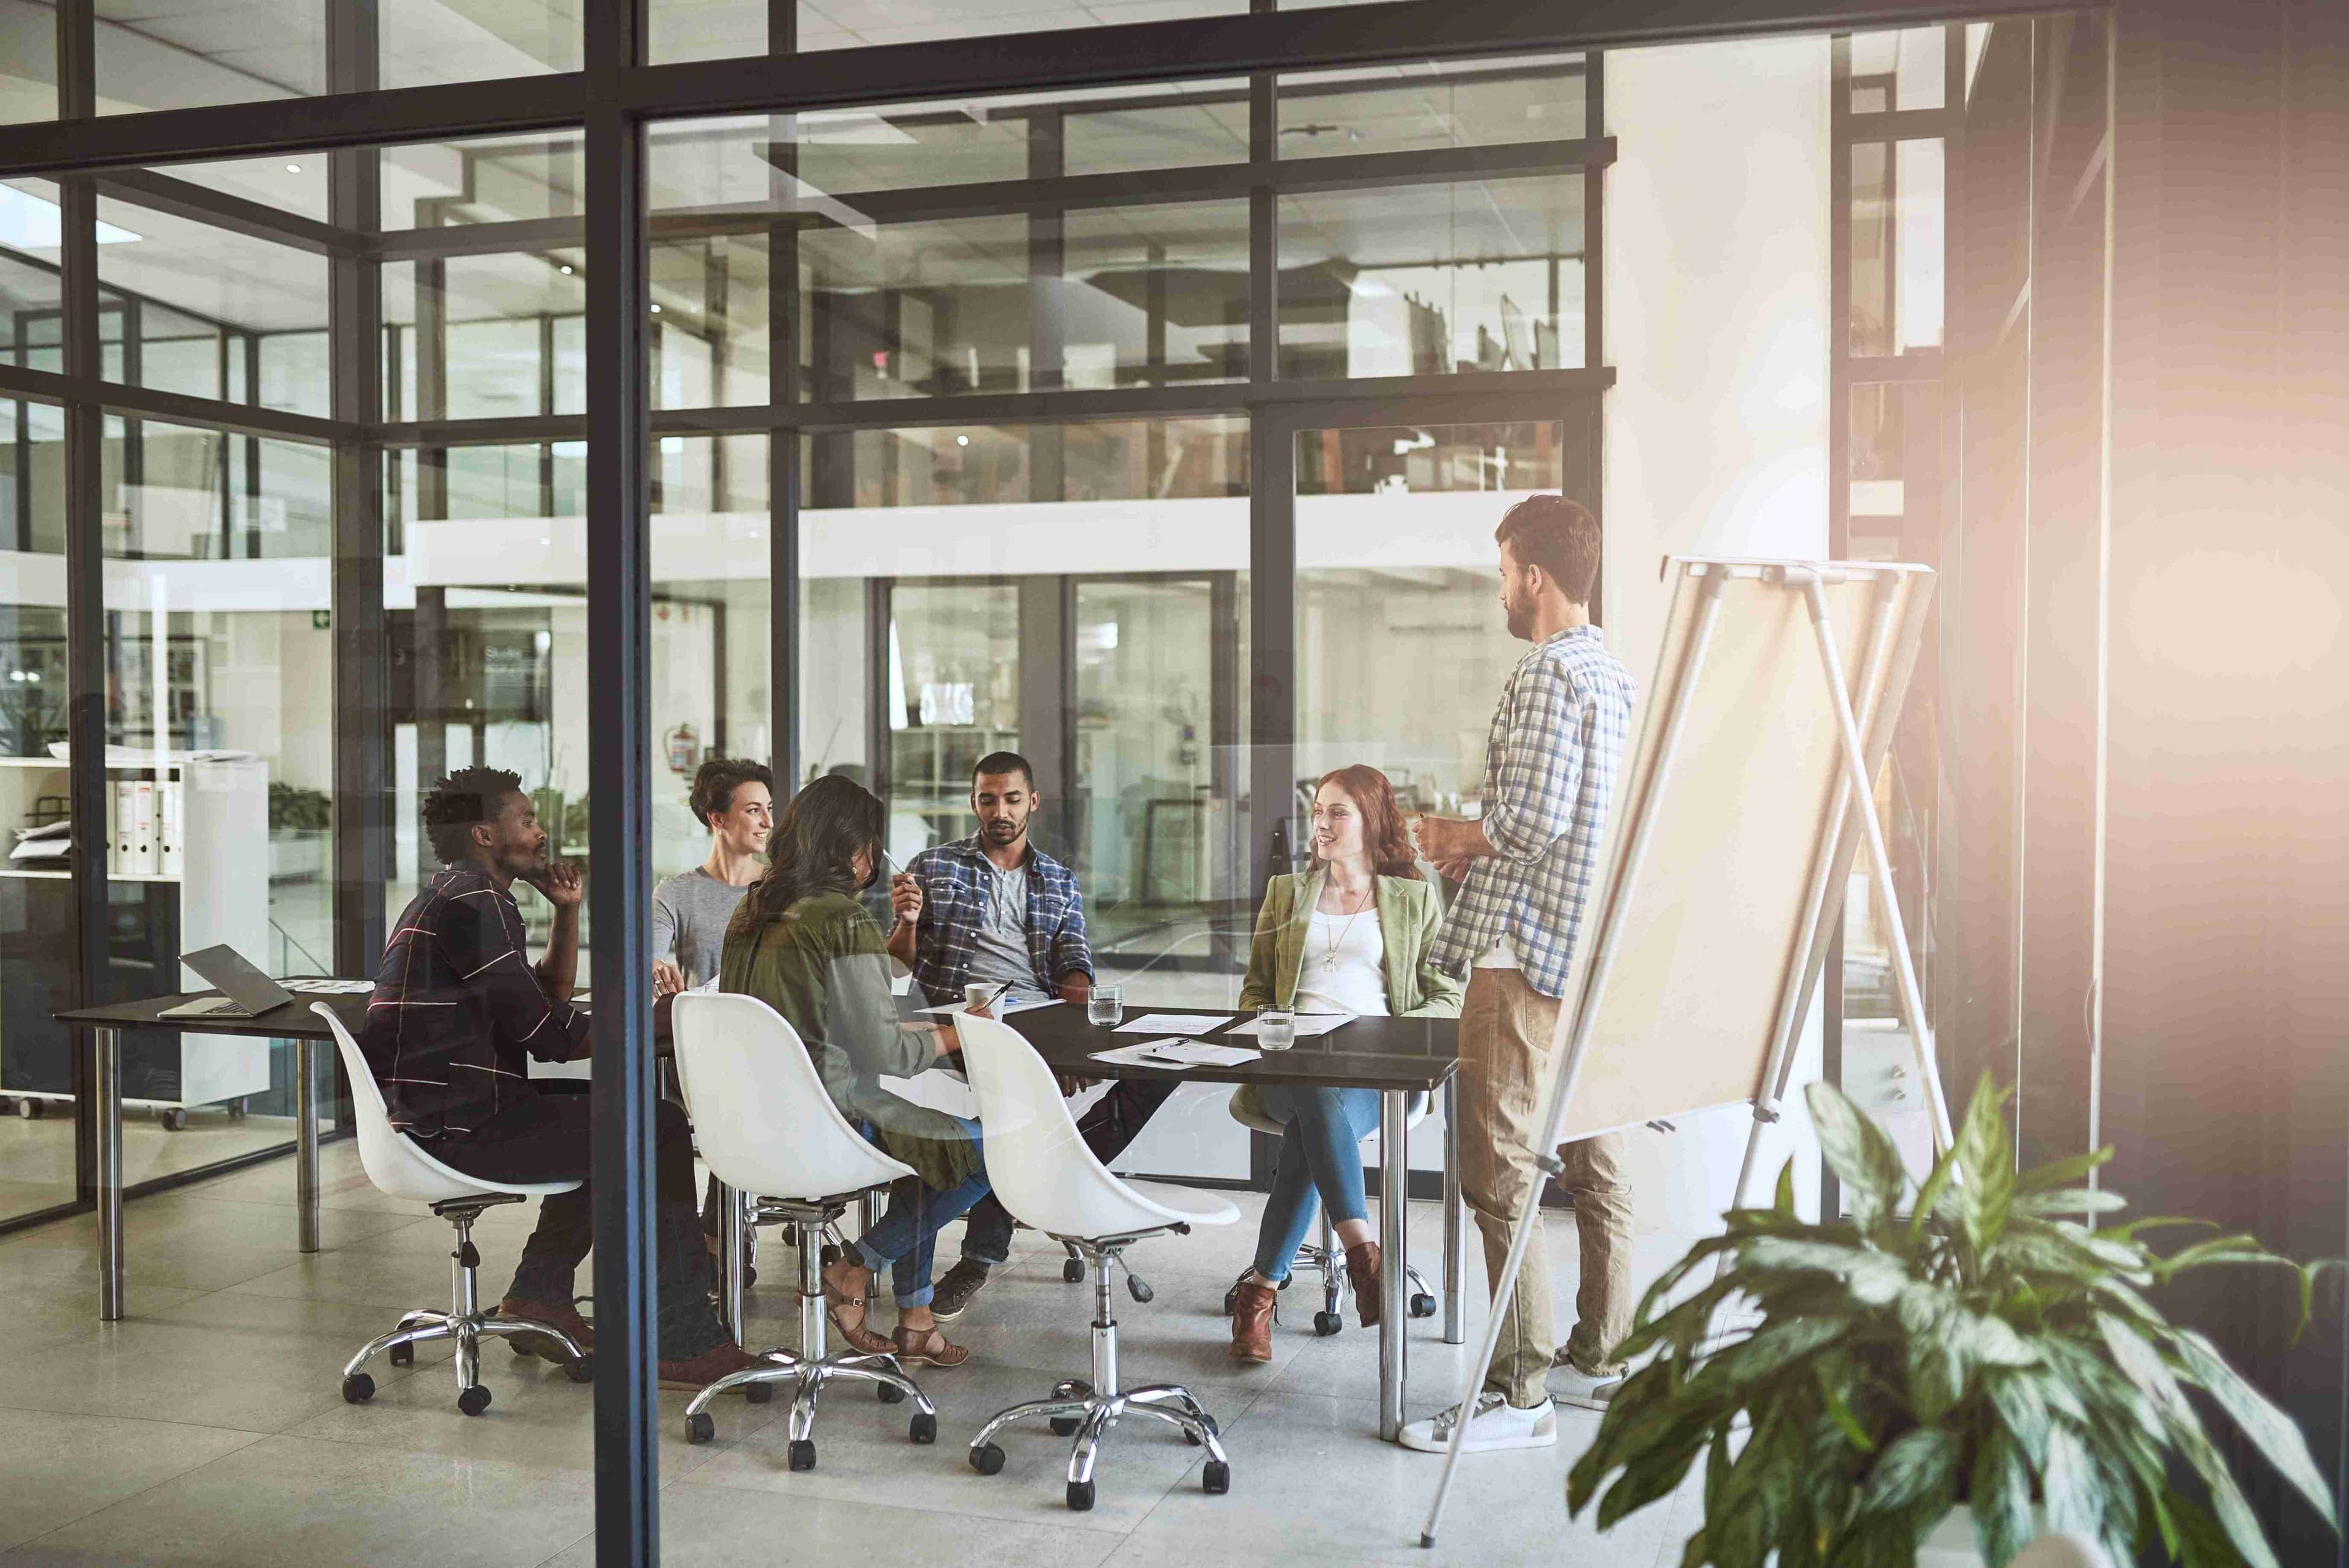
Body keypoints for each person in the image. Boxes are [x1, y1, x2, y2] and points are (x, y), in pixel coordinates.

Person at [360, 766, 757, 1388]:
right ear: (484, 834)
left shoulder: (460, 894)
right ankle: (682, 1336)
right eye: (526, 820)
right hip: (458, 1124)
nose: (540, 832)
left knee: (617, 1109)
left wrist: (567, 912)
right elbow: (549, 1035)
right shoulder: (474, 904)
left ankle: (539, 1293)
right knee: (656, 1125)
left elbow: (545, 996)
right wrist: (655, 1017)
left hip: (448, 1111)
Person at [1400, 494, 1638, 1455]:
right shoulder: (1614, 675)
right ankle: (1602, 1354)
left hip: (1524, 953)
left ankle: (1519, 1388)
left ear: (1534, 576)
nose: (1502, 590)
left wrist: (1454, 835)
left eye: (1504, 573)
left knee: (1500, 1171)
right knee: (1596, 1159)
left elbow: (1531, 820)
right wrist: (1480, 843)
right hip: (1591, 952)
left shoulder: (1547, 671)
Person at [883, 750, 1174, 1323]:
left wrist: (1070, 1038)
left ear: (1032, 801)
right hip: (960, 1024)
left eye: (1012, 799)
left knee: (1154, 1072)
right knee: (1015, 1105)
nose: (1001, 811)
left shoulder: (1057, 880)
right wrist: (908, 923)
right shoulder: (933, 866)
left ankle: (1042, 1177)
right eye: (988, 799)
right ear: (973, 803)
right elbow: (897, 965)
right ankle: (984, 1251)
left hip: (1036, 1022)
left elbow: (1075, 962)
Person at [721, 774, 987, 1368]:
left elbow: (815, 1013)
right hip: (831, 1120)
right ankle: (854, 1268)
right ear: (854, 847)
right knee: (982, 1149)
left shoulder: (752, 909)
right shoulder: (841, 917)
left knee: (925, 1147)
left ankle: (917, 1320)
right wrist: (960, 1030)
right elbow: (886, 1052)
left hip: (751, 1124)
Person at [1226, 765, 1463, 1363]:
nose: (1322, 824)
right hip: (1288, 1070)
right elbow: (1255, 991)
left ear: (1373, 821)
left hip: (1375, 1074)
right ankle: (1362, 1253)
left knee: (1312, 1124)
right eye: (1318, 811)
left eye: (1338, 812)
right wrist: (1273, 1028)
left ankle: (1260, 1293)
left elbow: (1448, 994)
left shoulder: (1413, 898)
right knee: (1313, 1088)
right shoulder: (1287, 892)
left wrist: (1388, 1037)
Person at [652, 757, 773, 995]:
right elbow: (648, 961)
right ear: (717, 818)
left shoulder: (782, 887)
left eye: (768, 808)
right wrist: (656, 971)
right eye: (754, 810)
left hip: (770, 1019)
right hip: (700, 1017)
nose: (768, 822)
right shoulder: (674, 893)